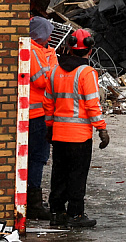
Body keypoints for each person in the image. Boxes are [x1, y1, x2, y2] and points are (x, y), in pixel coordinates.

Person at [44, 29, 110, 228]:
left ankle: (56, 212)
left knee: (59, 173)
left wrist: (49, 127)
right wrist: (102, 129)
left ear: (70, 48)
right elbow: (92, 104)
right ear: (89, 50)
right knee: (77, 175)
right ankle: (75, 214)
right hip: (79, 137)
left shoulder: (54, 70)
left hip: (58, 134)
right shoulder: (87, 73)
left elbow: (48, 103)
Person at [28, 17, 58, 221]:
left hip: (37, 114)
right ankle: (33, 202)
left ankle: (32, 199)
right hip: (35, 116)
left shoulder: (38, 50)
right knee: (37, 158)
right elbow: (44, 80)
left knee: (35, 158)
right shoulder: (33, 51)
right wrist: (49, 57)